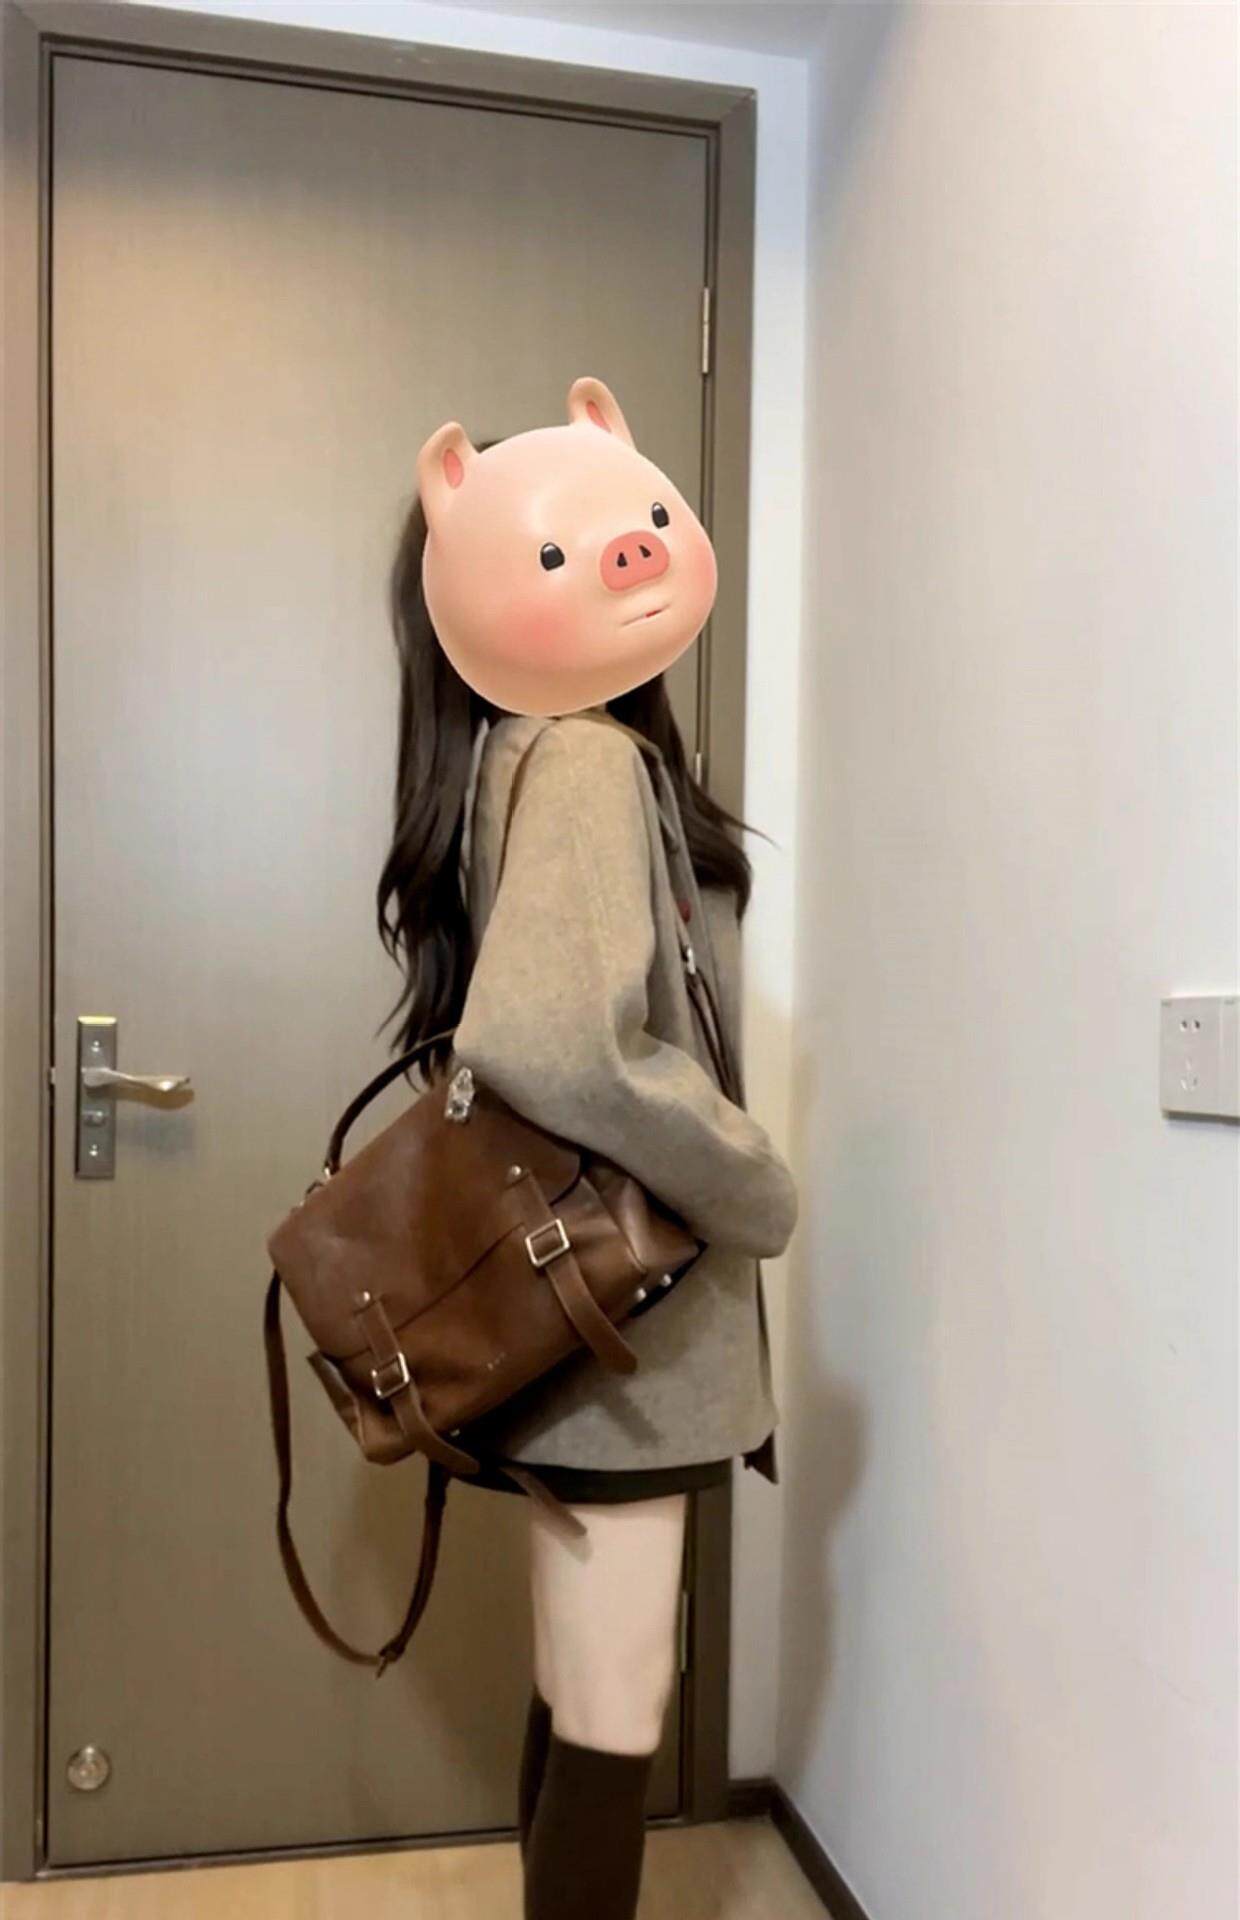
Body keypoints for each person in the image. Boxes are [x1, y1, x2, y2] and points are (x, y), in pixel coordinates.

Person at [376, 380, 799, 1920]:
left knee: (580, 1691)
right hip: (630, 1339)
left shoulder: (511, 752)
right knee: (616, 1711)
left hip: (573, 1334)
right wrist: (752, 1179)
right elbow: (552, 1039)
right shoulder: (587, 761)